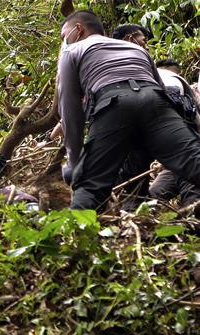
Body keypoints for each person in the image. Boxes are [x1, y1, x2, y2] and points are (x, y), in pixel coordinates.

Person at [57, 10, 200, 210]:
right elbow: (160, 88)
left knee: (91, 184)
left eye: (64, 35)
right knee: (194, 161)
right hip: (155, 102)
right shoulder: (136, 49)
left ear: (78, 29)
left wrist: (74, 163)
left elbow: (70, 110)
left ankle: (75, 228)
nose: (64, 40)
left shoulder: (72, 51)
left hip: (113, 104)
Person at [147, 59, 200, 208]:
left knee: (155, 196)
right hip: (183, 153)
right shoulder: (177, 83)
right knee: (158, 193)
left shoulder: (145, 80)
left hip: (183, 155)